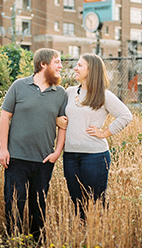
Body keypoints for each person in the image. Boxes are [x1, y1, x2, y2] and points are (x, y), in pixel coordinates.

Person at [0, 48, 67, 242]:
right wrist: (3, 149)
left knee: (39, 207)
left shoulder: (60, 93)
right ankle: (13, 245)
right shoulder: (19, 86)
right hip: (16, 158)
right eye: (57, 62)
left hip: (44, 160)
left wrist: (57, 152)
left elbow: (63, 124)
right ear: (43, 64)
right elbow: (4, 118)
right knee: (14, 204)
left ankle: (37, 246)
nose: (61, 66)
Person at [56, 53, 133, 220]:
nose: (75, 68)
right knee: (77, 203)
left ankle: (99, 238)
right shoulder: (69, 92)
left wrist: (105, 133)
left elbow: (125, 115)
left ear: (91, 70)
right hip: (70, 156)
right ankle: (82, 238)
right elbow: (59, 114)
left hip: (95, 157)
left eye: (79, 65)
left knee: (97, 203)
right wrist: (57, 120)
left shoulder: (104, 95)